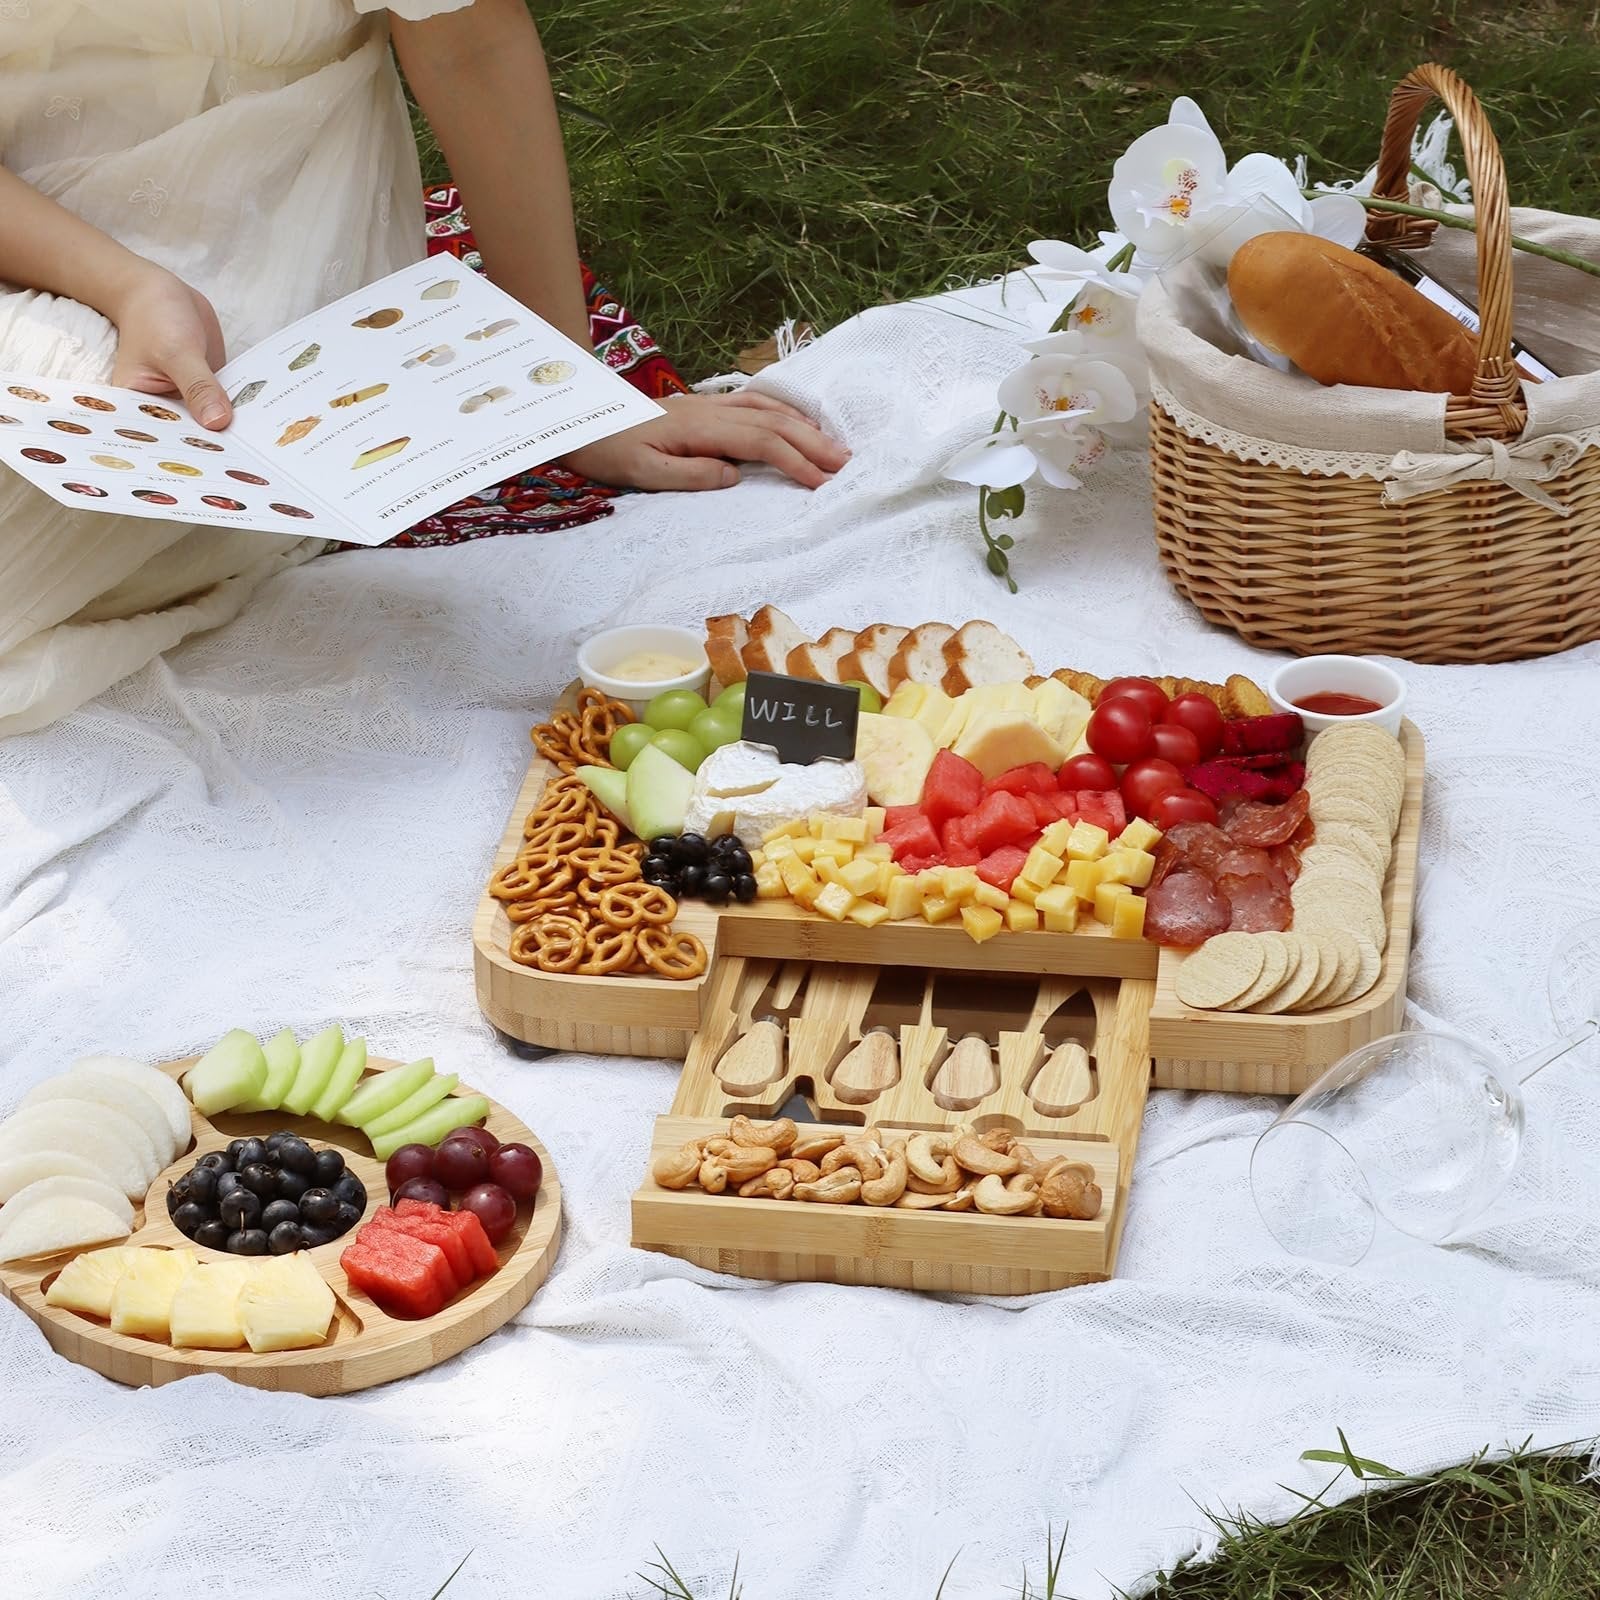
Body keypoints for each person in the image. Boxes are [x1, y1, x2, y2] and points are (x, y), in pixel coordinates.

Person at [0, 0, 847, 736]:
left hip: (245, 242)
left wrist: (563, 387)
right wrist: (122, 283)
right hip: (35, 228)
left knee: (56, 484)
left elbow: (470, 42)